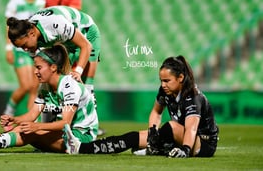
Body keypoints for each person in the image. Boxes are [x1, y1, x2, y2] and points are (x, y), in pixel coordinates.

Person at [65, 55, 219, 158]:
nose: (163, 85)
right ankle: (80, 148)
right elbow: (156, 112)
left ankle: (155, 149)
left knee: (170, 127)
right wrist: (152, 131)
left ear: (180, 78)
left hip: (202, 144)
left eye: (167, 81)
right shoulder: (165, 91)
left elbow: (191, 128)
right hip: (174, 136)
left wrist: (185, 150)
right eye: (161, 80)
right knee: (131, 138)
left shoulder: (193, 97)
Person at [0, 44, 99, 153]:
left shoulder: (69, 86)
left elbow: (65, 122)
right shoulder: (45, 86)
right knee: (25, 128)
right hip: (66, 135)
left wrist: (37, 126)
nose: (35, 72)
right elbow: (32, 115)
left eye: (39, 67)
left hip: (82, 138)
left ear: (53, 67)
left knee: (33, 132)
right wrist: (15, 119)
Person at [3, 0, 45, 116]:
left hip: (36, 49)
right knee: (26, 85)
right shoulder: (15, 2)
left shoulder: (41, 3)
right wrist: (8, 48)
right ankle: (9, 111)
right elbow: (8, 27)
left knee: (34, 87)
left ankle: (30, 119)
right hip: (20, 49)